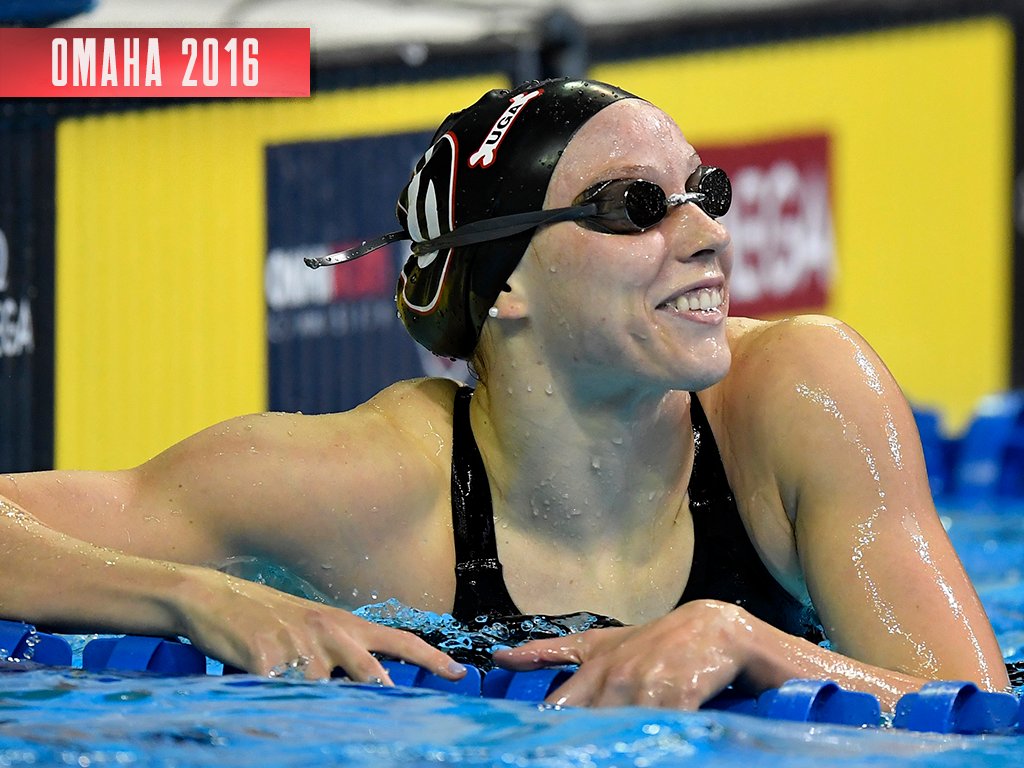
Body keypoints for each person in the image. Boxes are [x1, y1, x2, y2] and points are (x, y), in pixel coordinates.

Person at [0, 78, 1009, 710]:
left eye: (704, 193)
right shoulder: (371, 488)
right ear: (505, 285)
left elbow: (974, 715)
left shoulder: (800, 396)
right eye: (636, 207)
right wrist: (196, 596)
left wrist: (753, 644)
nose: (708, 234)